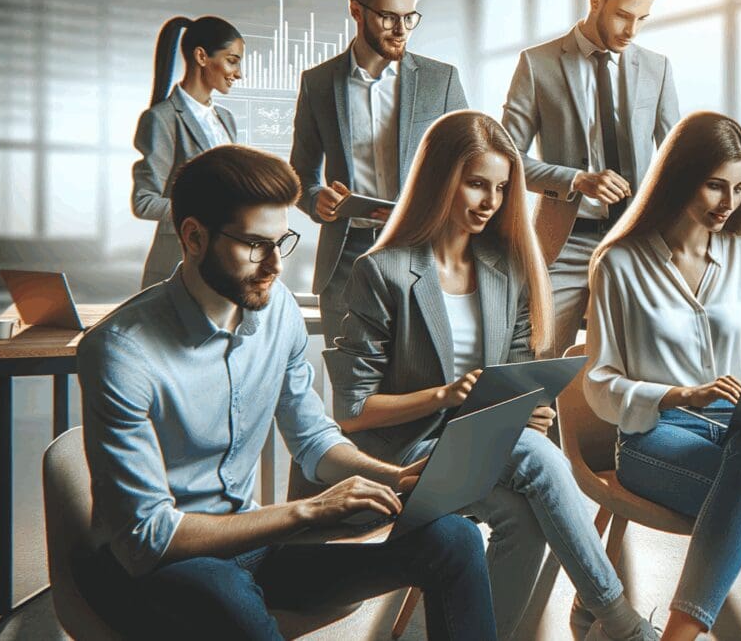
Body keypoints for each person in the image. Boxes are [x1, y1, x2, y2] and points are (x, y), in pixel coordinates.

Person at [77, 145, 496, 641]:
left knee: (455, 537)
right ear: (193, 237)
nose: (275, 265)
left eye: (282, 242)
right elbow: (148, 539)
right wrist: (309, 509)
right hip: (152, 569)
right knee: (224, 593)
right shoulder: (120, 352)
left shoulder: (278, 311)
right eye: (256, 245)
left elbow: (313, 438)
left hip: (248, 544)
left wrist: (394, 476)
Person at [325, 110, 658, 641]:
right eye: (477, 184)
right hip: (408, 456)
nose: (491, 202)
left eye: (502, 189)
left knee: (523, 517)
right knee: (534, 455)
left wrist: (530, 409)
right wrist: (443, 395)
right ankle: (618, 619)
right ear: (439, 181)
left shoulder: (505, 270)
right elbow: (351, 412)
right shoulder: (383, 271)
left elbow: (517, 375)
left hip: (487, 451)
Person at [585, 111, 741, 641]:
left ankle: (677, 635)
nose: (729, 202)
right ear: (680, 178)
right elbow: (598, 381)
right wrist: (679, 394)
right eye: (715, 185)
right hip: (658, 436)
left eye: (740, 188)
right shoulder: (619, 263)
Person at [503, 0, 679, 358]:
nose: (632, 31)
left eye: (642, 19)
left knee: (638, 363)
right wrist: (576, 180)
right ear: (596, 0)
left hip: (637, 243)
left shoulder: (657, 68)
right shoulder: (538, 64)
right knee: (543, 362)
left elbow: (677, 161)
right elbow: (506, 161)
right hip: (564, 245)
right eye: (623, 15)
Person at [291, 0, 468, 345]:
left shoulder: (441, 81)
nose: (402, 30)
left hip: (423, 251)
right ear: (357, 11)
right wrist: (317, 199)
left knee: (422, 371)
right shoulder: (318, 84)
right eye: (389, 17)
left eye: (410, 17)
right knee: (349, 374)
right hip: (346, 258)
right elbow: (300, 175)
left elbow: (471, 165)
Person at [132, 15, 242, 289]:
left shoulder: (226, 119)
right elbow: (144, 202)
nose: (239, 73)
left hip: (224, 262)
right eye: (232, 60)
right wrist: (207, 212)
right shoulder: (162, 119)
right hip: (178, 266)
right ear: (201, 56)